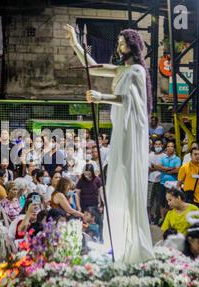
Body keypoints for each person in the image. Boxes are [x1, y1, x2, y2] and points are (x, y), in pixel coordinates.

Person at [66, 24, 154, 263]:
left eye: (122, 42)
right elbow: (92, 68)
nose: (118, 45)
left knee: (125, 175)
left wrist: (101, 97)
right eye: (118, 42)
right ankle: (117, 238)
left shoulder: (136, 71)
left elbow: (130, 100)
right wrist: (75, 42)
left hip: (130, 133)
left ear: (132, 46)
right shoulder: (121, 70)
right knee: (116, 178)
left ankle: (132, 241)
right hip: (120, 133)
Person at [177, 147, 199, 211]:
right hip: (189, 199)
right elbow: (178, 185)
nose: (197, 156)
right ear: (191, 155)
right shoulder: (184, 167)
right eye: (195, 154)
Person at [148, 139, 166, 224]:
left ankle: (156, 219)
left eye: (159, 144)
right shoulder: (149, 155)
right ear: (153, 145)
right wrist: (158, 167)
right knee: (149, 201)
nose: (157, 146)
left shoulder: (164, 156)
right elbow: (148, 168)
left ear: (162, 145)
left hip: (160, 180)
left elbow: (164, 169)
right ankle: (148, 218)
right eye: (156, 144)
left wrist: (154, 167)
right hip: (150, 180)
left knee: (159, 202)